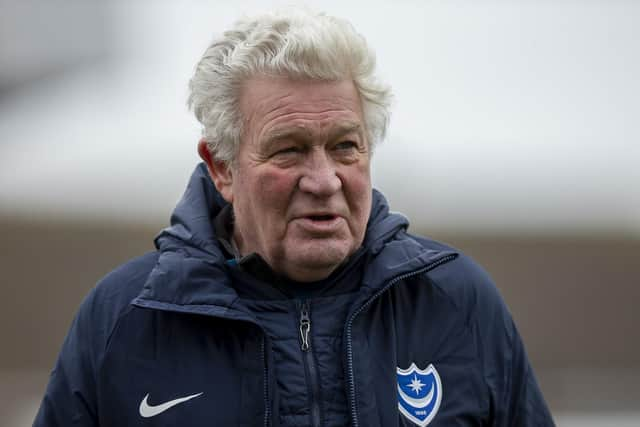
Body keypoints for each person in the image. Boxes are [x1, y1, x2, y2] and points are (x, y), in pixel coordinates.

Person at [34, 8, 554, 427]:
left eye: (345, 147)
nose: (324, 180)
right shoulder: (124, 321)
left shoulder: (457, 304)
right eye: (289, 150)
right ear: (223, 167)